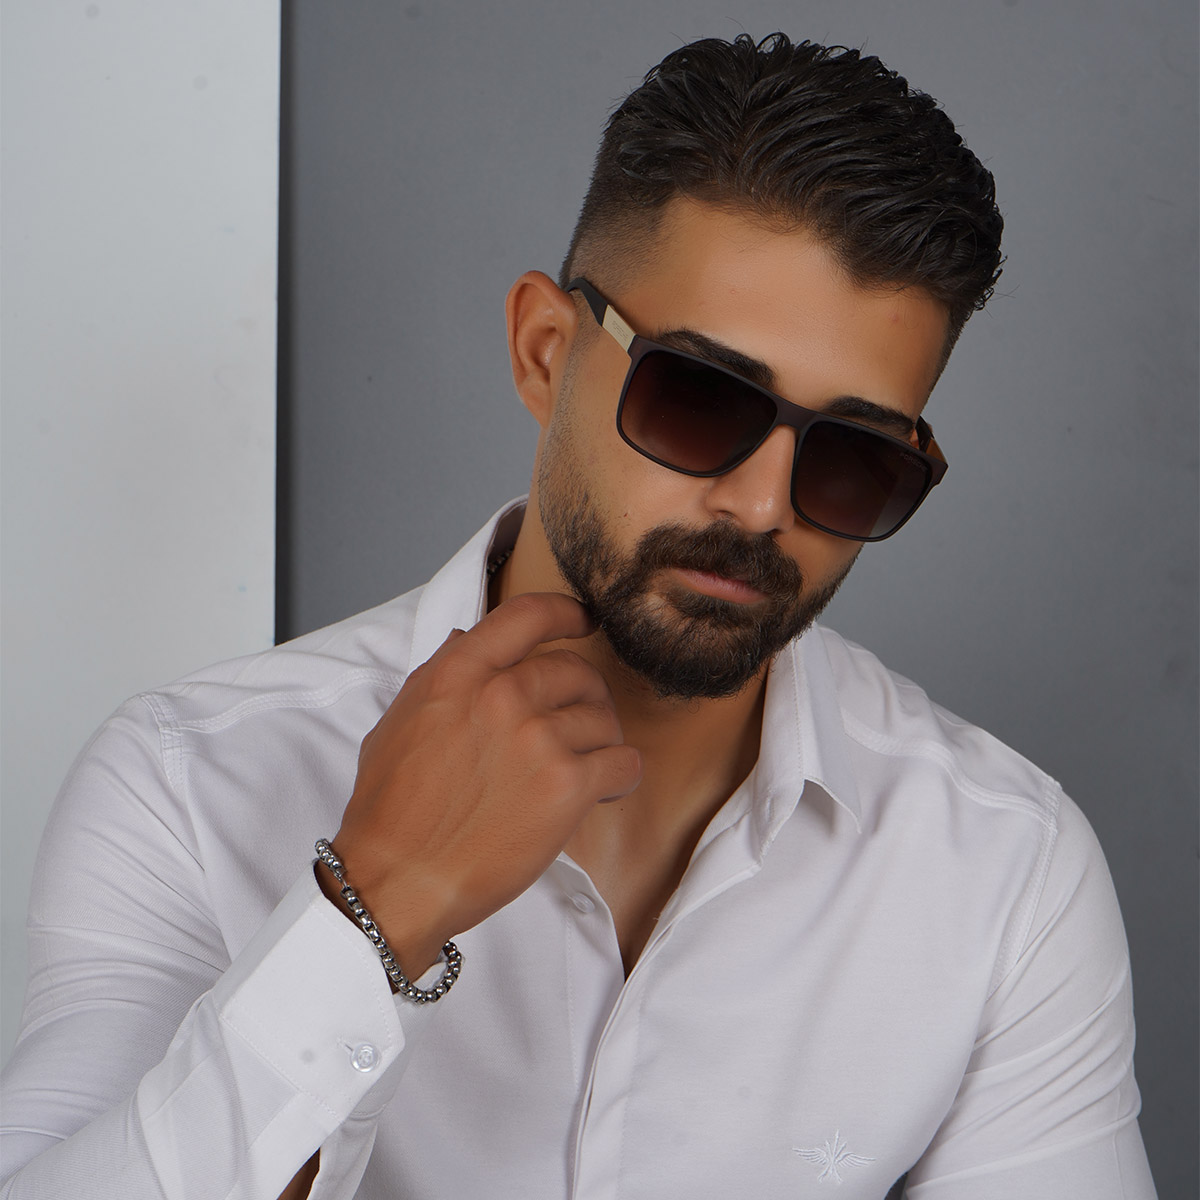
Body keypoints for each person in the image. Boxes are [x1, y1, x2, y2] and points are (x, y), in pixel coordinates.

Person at [1, 32, 1155, 1200]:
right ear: (546, 353)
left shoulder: (1003, 869)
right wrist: (379, 906)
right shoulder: (189, 785)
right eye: (701, 397)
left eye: (856, 458)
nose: (762, 507)